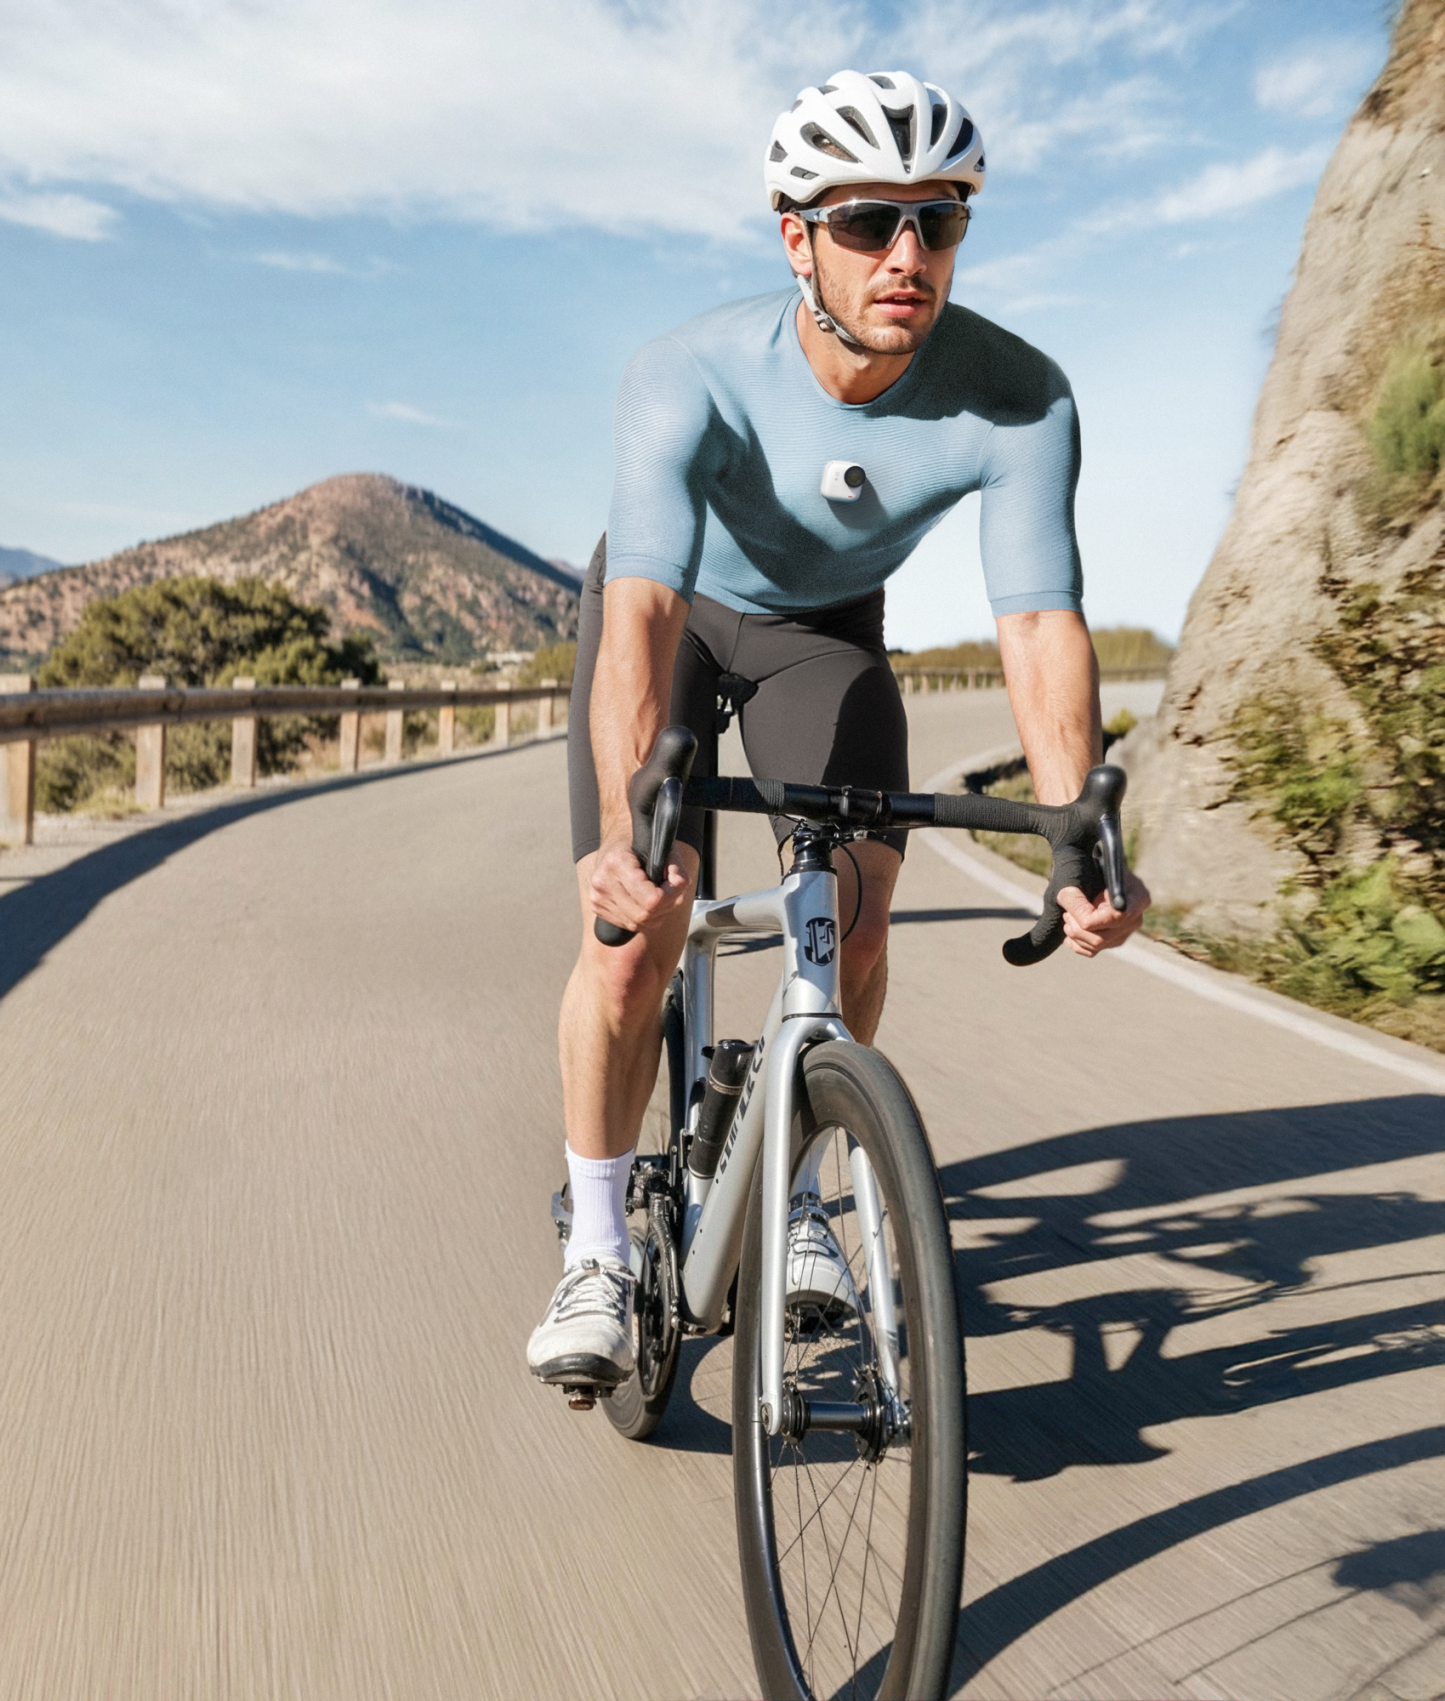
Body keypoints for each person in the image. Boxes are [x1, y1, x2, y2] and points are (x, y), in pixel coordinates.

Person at [528, 68, 1149, 1391]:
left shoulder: (1019, 397)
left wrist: (1074, 837)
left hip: (821, 633)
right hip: (673, 612)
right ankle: (596, 1246)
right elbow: (640, 613)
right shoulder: (686, 375)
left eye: (940, 220)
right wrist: (629, 832)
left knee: (852, 919)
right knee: (635, 935)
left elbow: (1039, 620)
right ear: (797, 238)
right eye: (869, 221)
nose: (908, 256)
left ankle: (800, 1189)